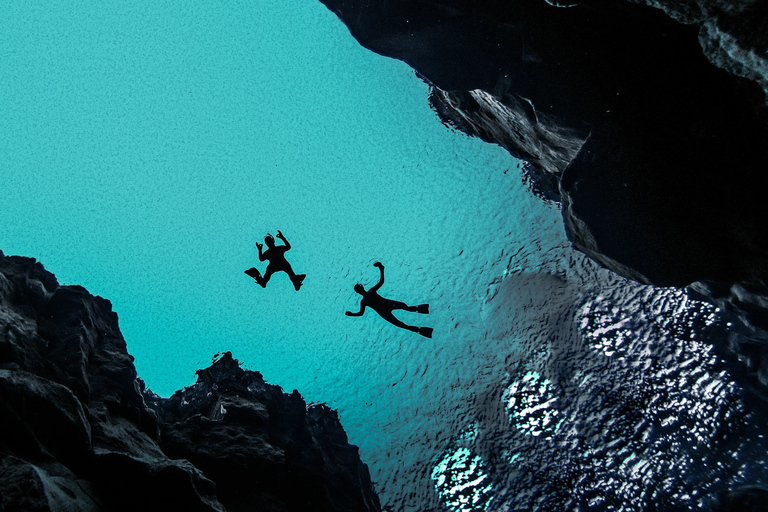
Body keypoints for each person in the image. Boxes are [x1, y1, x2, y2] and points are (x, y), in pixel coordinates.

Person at [346, 262, 432, 337]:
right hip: (384, 312)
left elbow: (381, 281)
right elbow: (361, 313)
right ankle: (420, 329)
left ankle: (422, 313)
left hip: (387, 306)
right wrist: (352, 314)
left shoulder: (369, 294)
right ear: (358, 291)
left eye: (359, 289)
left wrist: (381, 269)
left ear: (362, 288)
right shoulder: (364, 301)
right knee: (400, 323)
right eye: (358, 290)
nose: (360, 291)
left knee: (405, 307)